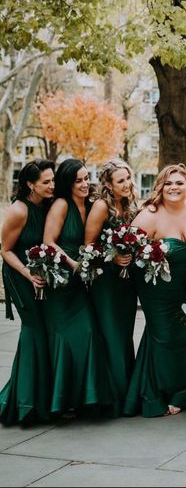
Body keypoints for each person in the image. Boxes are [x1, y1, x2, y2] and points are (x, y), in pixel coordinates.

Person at [123, 163, 186, 417]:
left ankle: (184, 392)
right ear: (160, 186)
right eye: (168, 183)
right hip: (156, 291)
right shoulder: (149, 215)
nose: (173, 188)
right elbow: (127, 249)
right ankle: (157, 392)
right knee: (164, 339)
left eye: (179, 183)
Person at [43, 158, 118, 417]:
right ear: (68, 183)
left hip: (82, 281)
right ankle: (61, 400)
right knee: (66, 340)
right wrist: (74, 263)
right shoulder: (61, 205)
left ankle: (86, 398)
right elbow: (49, 243)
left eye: (87, 178)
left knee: (88, 334)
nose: (85, 184)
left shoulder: (89, 204)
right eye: (79, 180)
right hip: (62, 282)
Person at [0, 160, 55, 425]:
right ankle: (26, 404)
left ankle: (38, 397)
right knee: (34, 331)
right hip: (21, 274)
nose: (52, 185)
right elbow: (5, 250)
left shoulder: (47, 206)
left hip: (42, 274)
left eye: (53, 180)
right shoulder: (19, 210)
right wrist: (27, 274)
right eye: (46, 182)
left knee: (44, 331)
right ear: (30, 185)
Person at [84, 159, 138, 409]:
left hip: (126, 282)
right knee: (111, 334)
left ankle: (127, 390)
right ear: (108, 183)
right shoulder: (101, 206)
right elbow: (88, 246)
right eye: (121, 181)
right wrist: (113, 256)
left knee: (125, 334)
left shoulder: (128, 204)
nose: (127, 184)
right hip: (106, 281)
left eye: (128, 178)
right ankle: (113, 397)